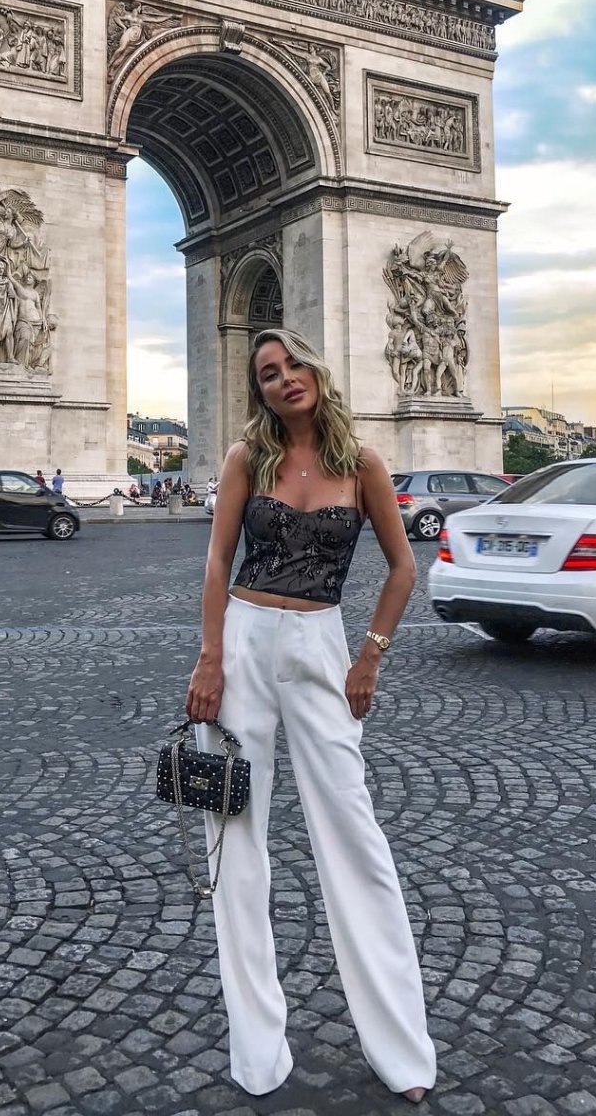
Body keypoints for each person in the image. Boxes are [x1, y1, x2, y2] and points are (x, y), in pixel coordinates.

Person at [186, 328, 436, 1103]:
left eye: (294, 363)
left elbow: (403, 567)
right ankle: (257, 1053)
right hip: (242, 644)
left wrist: (370, 657)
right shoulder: (246, 458)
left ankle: (403, 1051)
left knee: (354, 837)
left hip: (323, 647)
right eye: (268, 372)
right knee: (231, 842)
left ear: (317, 370)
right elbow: (217, 561)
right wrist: (209, 658)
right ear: (258, 390)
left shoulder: (362, 464)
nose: (285, 377)